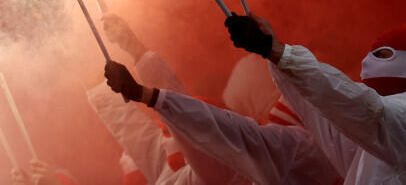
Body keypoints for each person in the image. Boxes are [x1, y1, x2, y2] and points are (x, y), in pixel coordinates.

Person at [101, 15, 340, 184]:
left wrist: (146, 88)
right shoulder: (189, 170)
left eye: (172, 131)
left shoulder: (288, 150)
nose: (168, 141)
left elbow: (209, 133)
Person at [222, 12, 406, 184]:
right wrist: (274, 56)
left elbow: (351, 100)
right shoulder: (381, 136)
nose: (368, 62)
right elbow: (327, 116)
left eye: (382, 54)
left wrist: (277, 51)